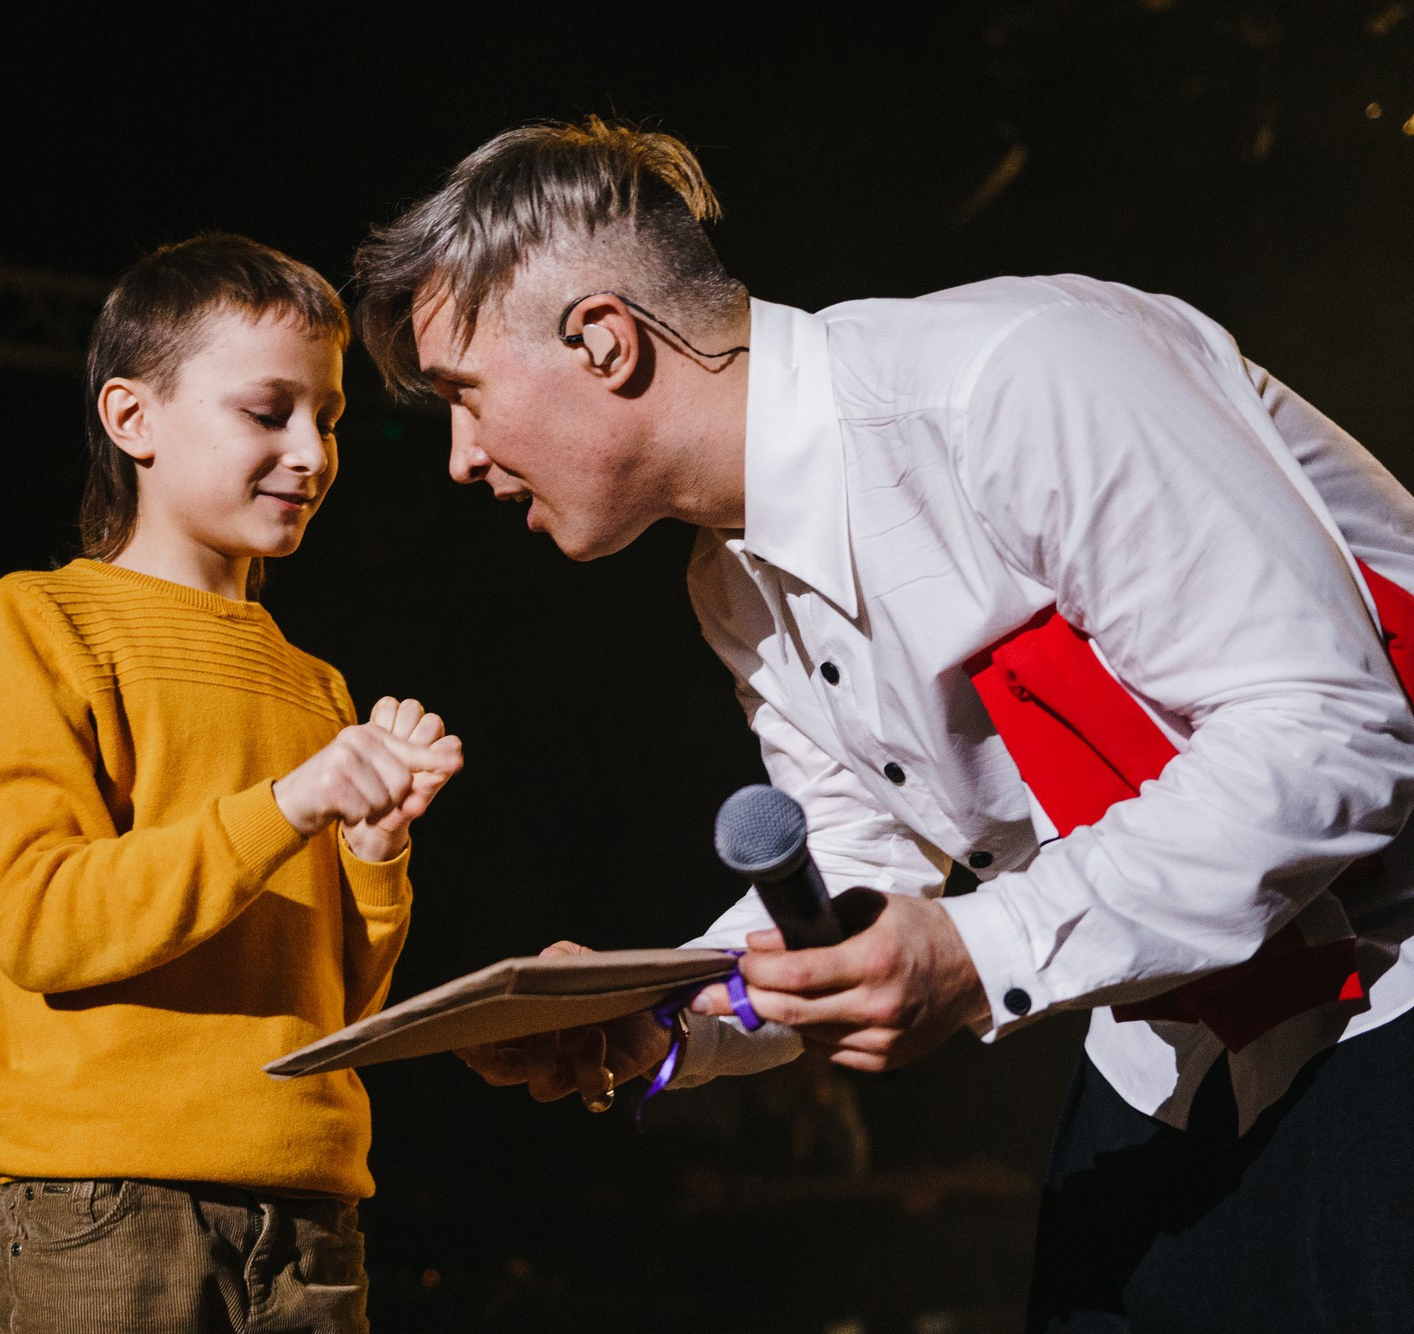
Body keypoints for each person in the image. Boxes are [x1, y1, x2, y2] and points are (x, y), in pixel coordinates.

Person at [353, 118, 1414, 1329]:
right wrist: (655, 1013)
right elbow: (856, 872)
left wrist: (978, 951)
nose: (457, 456)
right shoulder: (728, 581)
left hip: (1387, 991)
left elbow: (1330, 725)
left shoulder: (1013, 378)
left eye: (462, 397)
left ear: (602, 340)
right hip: (1174, 1049)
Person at [0, 233, 464, 1333]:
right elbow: (41, 921)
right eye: (265, 410)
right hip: (111, 1204)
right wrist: (287, 806)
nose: (310, 452)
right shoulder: (39, 622)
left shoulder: (312, 681)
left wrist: (375, 852)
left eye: (325, 420)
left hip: (312, 1211)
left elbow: (337, 1002)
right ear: (130, 417)